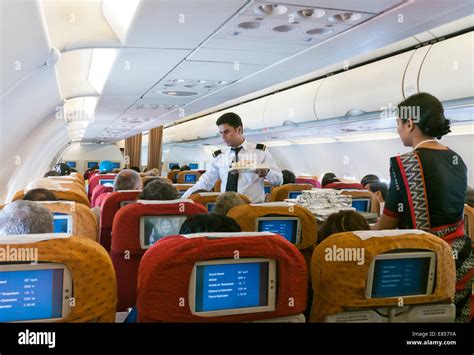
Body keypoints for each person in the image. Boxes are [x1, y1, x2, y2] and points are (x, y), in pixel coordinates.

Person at [372, 92, 472, 322]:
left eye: (398, 123)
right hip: (463, 259)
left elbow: (389, 221)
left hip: (425, 261)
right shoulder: (458, 160)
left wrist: (358, 235)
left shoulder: (405, 163)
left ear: (410, 123)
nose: (397, 129)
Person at [181, 112, 283, 202]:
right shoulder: (220, 156)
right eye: (221, 133)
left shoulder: (260, 152)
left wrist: (267, 172)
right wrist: (182, 200)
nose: (223, 137)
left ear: (239, 129)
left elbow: (278, 181)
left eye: (226, 132)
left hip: (251, 209)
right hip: (226, 209)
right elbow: (205, 183)